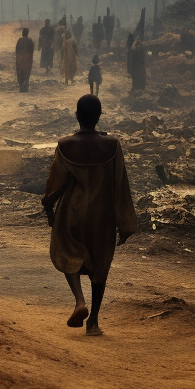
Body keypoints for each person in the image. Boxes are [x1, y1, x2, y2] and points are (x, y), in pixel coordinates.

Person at [42, 95, 138, 336]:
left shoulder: (65, 145)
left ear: (77, 115)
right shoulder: (113, 145)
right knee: (100, 265)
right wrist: (125, 221)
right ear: (99, 116)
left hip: (72, 210)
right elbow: (120, 183)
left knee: (67, 252)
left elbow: (54, 182)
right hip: (102, 213)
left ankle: (79, 301)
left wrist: (50, 210)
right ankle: (93, 321)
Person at [14, 27, 35, 93]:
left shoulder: (20, 41)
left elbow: (17, 50)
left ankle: (21, 87)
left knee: (20, 73)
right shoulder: (30, 41)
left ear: (22, 33)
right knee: (26, 74)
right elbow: (32, 50)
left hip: (20, 60)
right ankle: (25, 87)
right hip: (27, 60)